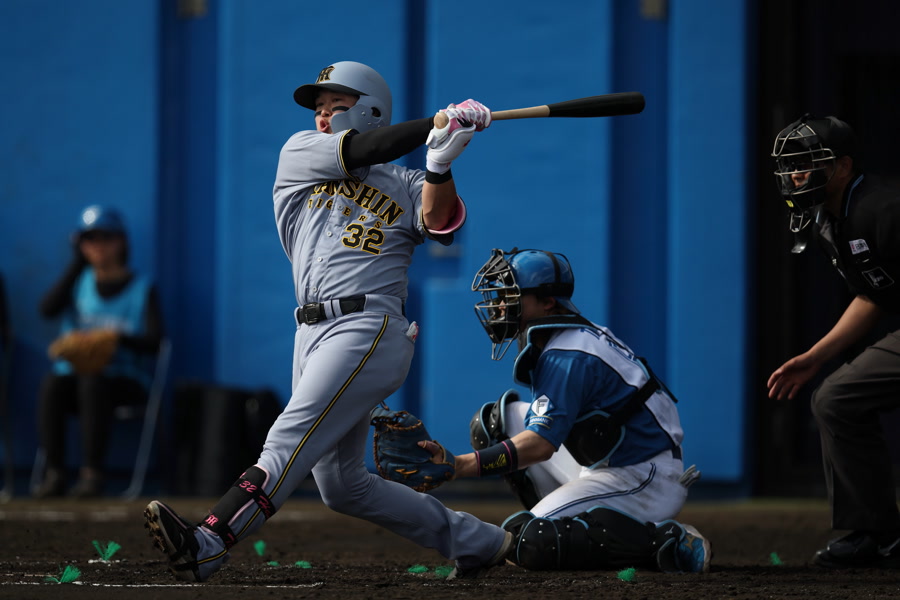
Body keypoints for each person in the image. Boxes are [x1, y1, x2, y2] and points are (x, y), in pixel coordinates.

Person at [143, 61, 508, 582]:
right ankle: (481, 542)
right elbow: (362, 149)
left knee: (287, 437)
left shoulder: (407, 183)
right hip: (310, 331)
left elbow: (440, 225)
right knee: (342, 485)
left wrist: (440, 162)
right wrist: (437, 121)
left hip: (368, 325)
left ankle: (210, 540)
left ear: (371, 111)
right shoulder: (300, 153)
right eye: (319, 107)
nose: (322, 116)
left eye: (336, 106)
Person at [420, 247, 710, 573]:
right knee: (494, 424)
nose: (500, 305)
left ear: (547, 302)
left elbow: (540, 446)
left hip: (643, 476)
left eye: (510, 296)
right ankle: (569, 524)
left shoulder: (567, 354)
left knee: (530, 541)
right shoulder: (566, 336)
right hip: (608, 460)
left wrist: (457, 465)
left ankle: (664, 540)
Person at [768, 114, 900, 568]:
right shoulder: (828, 218)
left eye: (806, 162)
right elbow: (873, 294)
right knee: (836, 398)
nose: (795, 174)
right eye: (790, 165)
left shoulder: (885, 208)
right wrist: (815, 357)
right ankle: (879, 535)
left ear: (842, 166)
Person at [34, 205, 164, 498]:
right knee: (52, 384)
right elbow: (47, 309)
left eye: (106, 237)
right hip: (74, 377)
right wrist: (77, 263)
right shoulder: (78, 283)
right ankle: (54, 473)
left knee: (93, 384)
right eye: (89, 239)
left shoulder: (142, 287)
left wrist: (115, 339)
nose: (97, 245)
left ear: (121, 241)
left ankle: (92, 475)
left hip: (123, 378)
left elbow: (156, 342)